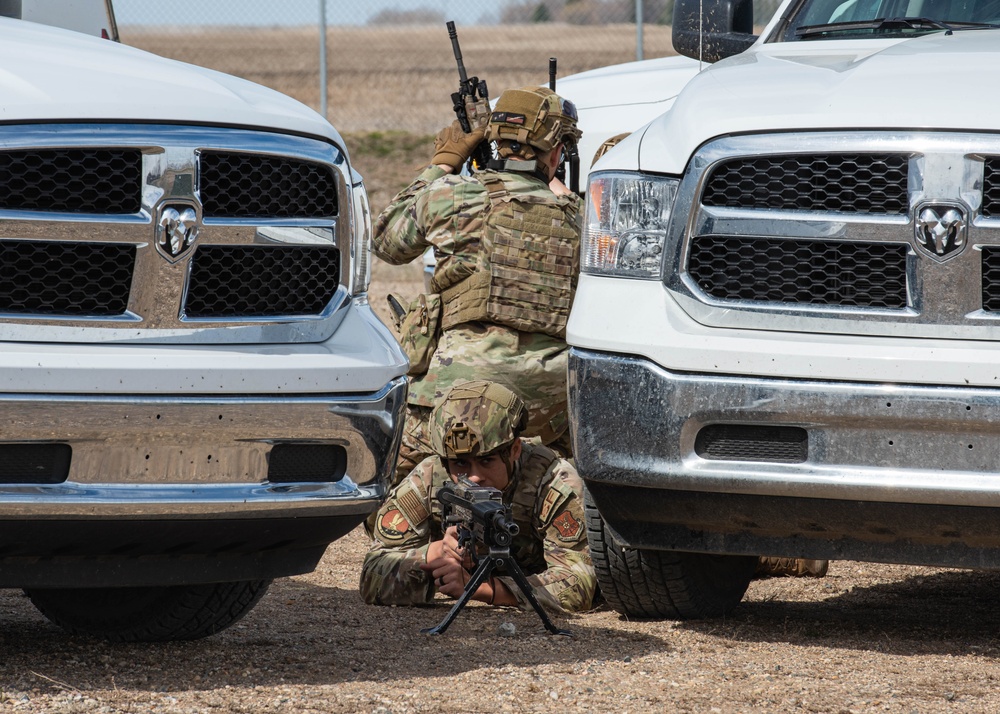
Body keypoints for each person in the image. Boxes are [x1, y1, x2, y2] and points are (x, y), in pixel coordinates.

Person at [372, 86, 583, 487]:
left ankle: (415, 543)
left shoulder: (455, 197)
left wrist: (442, 165)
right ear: (556, 154)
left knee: (386, 478)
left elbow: (386, 241)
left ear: (495, 141)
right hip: (549, 411)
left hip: (454, 399)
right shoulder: (583, 218)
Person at [359, 380, 596, 614]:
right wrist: (434, 555)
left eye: (486, 461)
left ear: (514, 450)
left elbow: (578, 582)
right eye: (460, 463)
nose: (474, 477)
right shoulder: (430, 480)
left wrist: (486, 590)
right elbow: (372, 575)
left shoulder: (551, 482)